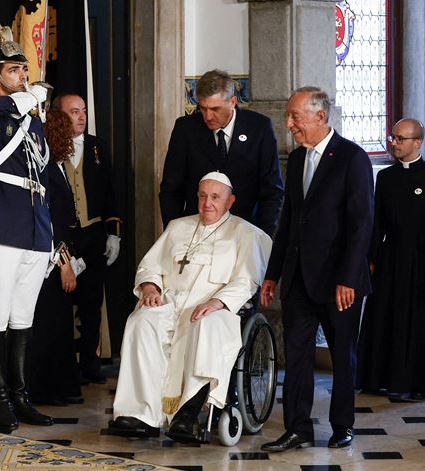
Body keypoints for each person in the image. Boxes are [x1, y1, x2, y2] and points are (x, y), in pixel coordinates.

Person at [109, 172, 272, 443]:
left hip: (216, 309)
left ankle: (188, 414)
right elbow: (151, 266)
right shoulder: (177, 227)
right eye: (202, 196)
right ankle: (139, 414)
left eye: (215, 197)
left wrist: (217, 301)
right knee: (142, 321)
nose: (207, 203)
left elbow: (247, 279)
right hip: (170, 305)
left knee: (205, 324)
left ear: (230, 201)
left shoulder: (246, 233)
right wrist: (150, 287)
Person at [260, 87, 373, 452]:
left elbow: (361, 224)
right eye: (289, 117)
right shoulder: (295, 161)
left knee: (343, 355)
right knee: (296, 357)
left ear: (320, 117)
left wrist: (348, 278)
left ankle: (343, 425)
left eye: (295, 116)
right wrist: (273, 274)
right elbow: (288, 223)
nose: (288, 123)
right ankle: (298, 428)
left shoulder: (352, 158)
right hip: (298, 279)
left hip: (338, 282)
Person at [0, 25, 56, 431]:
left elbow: (41, 170)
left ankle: (21, 395)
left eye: (25, 69)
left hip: (35, 230)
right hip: (2, 225)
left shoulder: (32, 120)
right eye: (13, 69)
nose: (23, 75)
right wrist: (27, 97)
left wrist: (51, 235)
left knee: (24, 317)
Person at [356, 118, 425, 400]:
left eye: (400, 139)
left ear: (417, 142)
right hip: (390, 258)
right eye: (393, 138)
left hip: (423, 262)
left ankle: (422, 383)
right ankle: (379, 378)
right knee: (385, 316)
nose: (394, 144)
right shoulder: (385, 178)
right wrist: (371, 257)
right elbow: (378, 223)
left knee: (420, 321)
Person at [159, 69, 284, 237]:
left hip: (245, 232)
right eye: (203, 108)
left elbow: (272, 190)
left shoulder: (259, 128)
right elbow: (171, 188)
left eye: (215, 109)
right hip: (195, 233)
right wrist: (174, 232)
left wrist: (263, 236)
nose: (208, 116)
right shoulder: (186, 129)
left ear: (232, 102)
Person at [55, 93, 121, 384]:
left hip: (93, 234)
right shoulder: (51, 147)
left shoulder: (97, 146)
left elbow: (110, 192)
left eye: (83, 111)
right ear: (59, 115)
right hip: (63, 237)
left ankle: (90, 363)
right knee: (60, 302)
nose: (81, 117)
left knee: (92, 303)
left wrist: (113, 234)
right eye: (73, 112)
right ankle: (64, 364)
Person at [29, 109, 83, 406]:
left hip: (59, 256)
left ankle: (62, 386)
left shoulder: (56, 167)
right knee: (48, 324)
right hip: (50, 262)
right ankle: (44, 388)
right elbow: (52, 223)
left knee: (59, 322)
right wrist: (64, 264)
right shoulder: (49, 170)